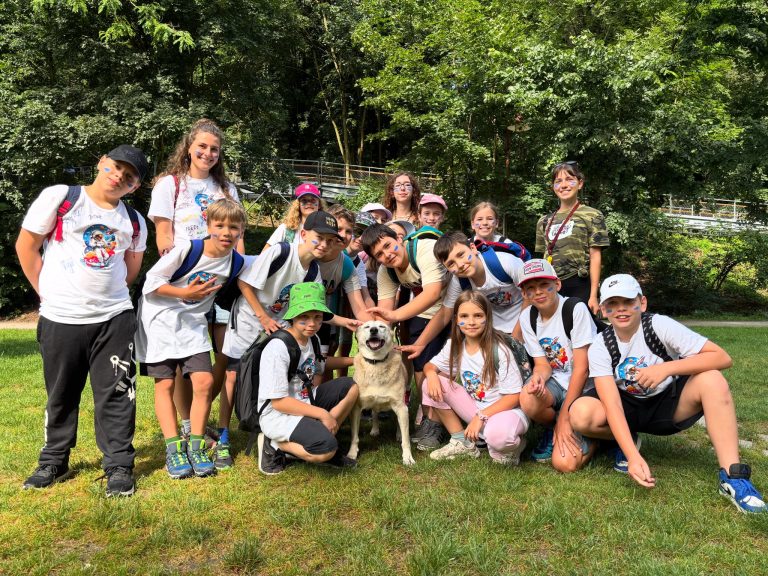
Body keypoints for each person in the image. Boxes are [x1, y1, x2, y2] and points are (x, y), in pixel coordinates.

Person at [569, 274, 766, 513]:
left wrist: (665, 368)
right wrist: (633, 457)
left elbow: (721, 357)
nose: (620, 309)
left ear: (641, 303)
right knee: (580, 413)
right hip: (627, 407)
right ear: (603, 310)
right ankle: (627, 441)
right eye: (612, 304)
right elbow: (611, 404)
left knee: (713, 380)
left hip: (667, 403)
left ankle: (733, 477)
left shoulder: (658, 325)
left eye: (627, 301)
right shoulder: (601, 344)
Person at [16, 144, 149, 496]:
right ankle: (53, 460)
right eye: (116, 167)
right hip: (61, 318)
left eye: (130, 175)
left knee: (119, 393)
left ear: (134, 186)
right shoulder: (61, 197)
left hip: (114, 319)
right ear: (102, 163)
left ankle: (119, 466)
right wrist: (45, 292)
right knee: (61, 393)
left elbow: (130, 271)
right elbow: (26, 247)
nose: (120, 175)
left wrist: (108, 298)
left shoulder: (133, 221)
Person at [217, 210, 358, 469]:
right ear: (303, 234)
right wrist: (262, 317)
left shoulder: (313, 270)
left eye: (330, 240)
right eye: (319, 238)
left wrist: (343, 321)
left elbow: (312, 310)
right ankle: (224, 434)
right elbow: (245, 284)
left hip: (278, 324)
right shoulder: (281, 252)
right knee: (234, 376)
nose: (324, 244)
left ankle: (296, 426)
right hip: (250, 318)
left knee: (278, 372)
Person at [147, 118, 244, 440]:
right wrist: (181, 286)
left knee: (223, 353)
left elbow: (237, 236)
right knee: (178, 359)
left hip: (220, 280)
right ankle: (188, 425)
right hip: (184, 278)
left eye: (214, 149)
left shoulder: (226, 189)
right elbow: (163, 235)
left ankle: (203, 410)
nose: (208, 153)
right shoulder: (170, 185)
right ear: (188, 148)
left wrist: (239, 276)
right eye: (202, 146)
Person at [137, 199, 247, 479]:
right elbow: (151, 281)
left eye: (233, 227)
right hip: (160, 319)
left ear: (241, 230)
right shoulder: (189, 248)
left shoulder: (236, 261)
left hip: (193, 324)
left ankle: (196, 446)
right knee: (165, 383)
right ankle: (174, 448)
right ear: (208, 226)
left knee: (205, 381)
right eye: (219, 225)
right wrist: (185, 294)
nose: (226, 232)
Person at [361, 223, 449, 449]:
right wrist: (373, 343)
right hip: (428, 312)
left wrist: (395, 314)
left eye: (388, 246)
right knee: (420, 362)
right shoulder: (386, 272)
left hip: (460, 304)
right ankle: (432, 421)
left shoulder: (425, 248)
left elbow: (432, 293)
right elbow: (384, 314)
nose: (387, 254)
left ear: (399, 239)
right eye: (379, 254)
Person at [257, 282, 359, 475]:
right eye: (304, 317)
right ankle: (276, 444)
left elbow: (321, 364)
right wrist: (323, 414)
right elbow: (278, 403)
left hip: (305, 399)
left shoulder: (313, 339)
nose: (312, 324)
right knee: (326, 451)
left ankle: (321, 434)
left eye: (317, 318)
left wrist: (357, 360)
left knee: (351, 386)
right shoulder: (277, 347)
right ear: (292, 317)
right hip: (279, 414)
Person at [422, 292, 529, 463]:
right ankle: (461, 441)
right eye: (464, 316)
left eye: (478, 316)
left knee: (499, 440)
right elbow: (429, 366)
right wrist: (431, 374)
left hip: (506, 411)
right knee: (429, 384)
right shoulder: (455, 345)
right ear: (456, 319)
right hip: (476, 409)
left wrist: (481, 417)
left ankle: (513, 443)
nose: (471, 322)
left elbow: (515, 397)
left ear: (488, 317)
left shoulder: (499, 349)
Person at [517, 259, 598, 472]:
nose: (539, 292)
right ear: (524, 294)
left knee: (564, 464)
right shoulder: (528, 317)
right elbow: (543, 365)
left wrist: (565, 416)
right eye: (531, 288)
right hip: (557, 381)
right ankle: (554, 430)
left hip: (586, 386)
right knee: (528, 395)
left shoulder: (574, 308)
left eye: (545, 285)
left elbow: (583, 369)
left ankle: (598, 437)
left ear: (558, 285)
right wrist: (538, 379)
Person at [401, 231, 526, 361]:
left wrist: (517, 334)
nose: (460, 265)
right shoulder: (459, 280)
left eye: (461, 255)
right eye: (451, 264)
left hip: (524, 325)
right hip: (495, 332)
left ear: (472, 248)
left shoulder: (504, 262)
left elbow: (530, 295)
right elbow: (445, 313)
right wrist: (420, 343)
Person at [535, 161, 609, 315]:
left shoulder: (592, 215)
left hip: (580, 284)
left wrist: (593, 295)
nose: (564, 185)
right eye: (558, 181)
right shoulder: (544, 221)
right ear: (553, 187)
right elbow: (543, 258)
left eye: (569, 179)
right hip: (551, 285)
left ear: (580, 183)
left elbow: (596, 256)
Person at [264, 183, 327, 249]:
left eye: (313, 200)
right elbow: (265, 253)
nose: (309, 203)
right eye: (304, 200)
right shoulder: (286, 229)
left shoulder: (326, 229)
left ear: (319, 205)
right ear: (298, 205)